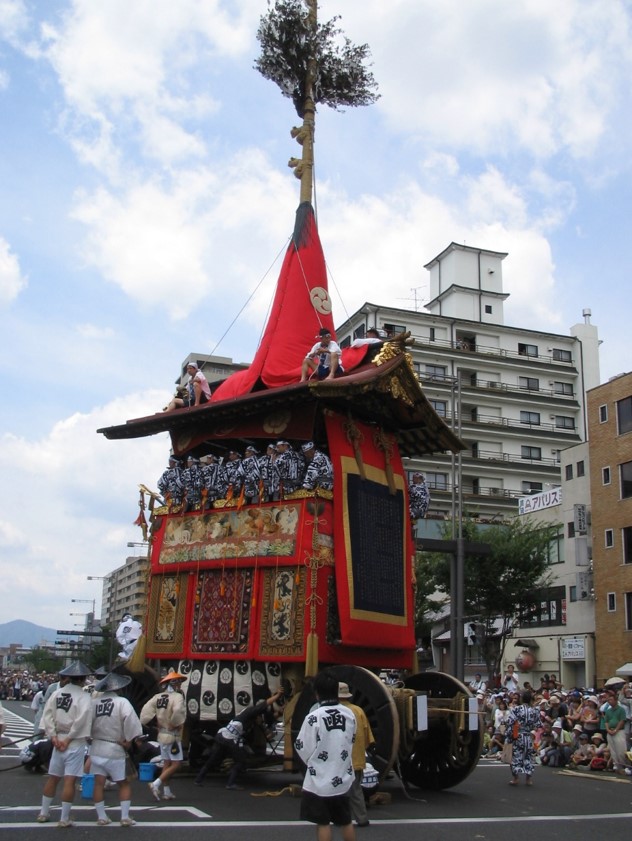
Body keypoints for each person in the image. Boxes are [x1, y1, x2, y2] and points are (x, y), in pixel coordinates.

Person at [295, 668, 356, 841]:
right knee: (346, 820)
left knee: (323, 823)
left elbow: (301, 746)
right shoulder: (349, 714)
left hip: (320, 778)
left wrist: (313, 761)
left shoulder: (314, 717)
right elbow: (351, 738)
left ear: (317, 693)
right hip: (342, 775)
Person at [37, 660, 93, 827]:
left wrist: (53, 736)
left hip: (58, 739)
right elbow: (81, 720)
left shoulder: (57, 693)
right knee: (69, 780)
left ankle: (43, 812)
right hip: (73, 741)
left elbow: (47, 715)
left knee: (53, 777)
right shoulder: (84, 696)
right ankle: (64, 818)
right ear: (83, 679)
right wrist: (69, 739)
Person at [194, 688, 284, 788]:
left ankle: (198, 779)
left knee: (213, 759)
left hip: (222, 736)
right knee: (241, 761)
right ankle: (230, 783)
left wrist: (280, 712)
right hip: (230, 738)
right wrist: (278, 696)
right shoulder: (251, 711)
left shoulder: (247, 716)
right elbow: (265, 704)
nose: (260, 720)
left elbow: (268, 719)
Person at [89, 672, 143, 827]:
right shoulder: (122, 702)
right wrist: (129, 739)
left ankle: (101, 816)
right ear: (119, 688)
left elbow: (87, 723)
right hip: (114, 748)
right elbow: (132, 722)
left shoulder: (95, 702)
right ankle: (124, 817)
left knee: (98, 784)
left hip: (97, 747)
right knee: (124, 783)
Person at [140, 670, 187, 802]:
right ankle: (156, 784)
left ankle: (167, 791)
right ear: (175, 683)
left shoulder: (158, 697)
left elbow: (145, 711)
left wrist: (150, 721)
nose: (179, 685)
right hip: (172, 735)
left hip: (162, 734)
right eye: (178, 682)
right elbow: (178, 711)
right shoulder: (177, 697)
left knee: (167, 762)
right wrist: (175, 722)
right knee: (176, 764)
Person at [338, 682, 374, 828]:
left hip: (339, 760)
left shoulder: (331, 712)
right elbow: (367, 737)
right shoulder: (358, 711)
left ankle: (342, 818)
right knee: (356, 790)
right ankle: (362, 818)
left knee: (337, 789)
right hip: (357, 758)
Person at [506, 690, 540, 786]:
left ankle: (515, 778)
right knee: (528, 757)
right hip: (528, 736)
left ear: (521, 699)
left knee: (516, 756)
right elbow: (538, 725)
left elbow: (510, 722)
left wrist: (509, 736)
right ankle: (528, 779)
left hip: (518, 736)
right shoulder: (535, 710)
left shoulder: (516, 709)